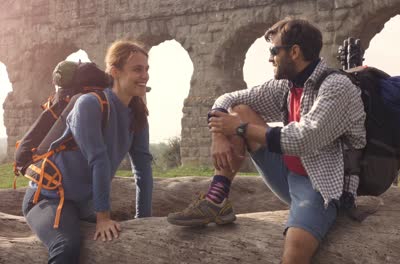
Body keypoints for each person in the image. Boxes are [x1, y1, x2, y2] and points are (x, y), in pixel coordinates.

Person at [167, 18, 366, 263]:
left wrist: (239, 128)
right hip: (286, 172)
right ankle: (216, 199)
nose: (269, 58)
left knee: (294, 255)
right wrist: (219, 133)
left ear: (294, 52)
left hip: (322, 185)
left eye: (274, 51)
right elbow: (227, 97)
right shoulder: (286, 86)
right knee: (239, 108)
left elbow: (304, 139)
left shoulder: (336, 87)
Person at [22, 40, 154, 264]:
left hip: (85, 202)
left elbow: (142, 169)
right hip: (49, 198)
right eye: (137, 69)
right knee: (66, 247)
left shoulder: (136, 113)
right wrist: (103, 218)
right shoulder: (89, 104)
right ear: (115, 72)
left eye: (146, 69)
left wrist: (145, 220)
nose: (145, 75)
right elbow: (99, 161)